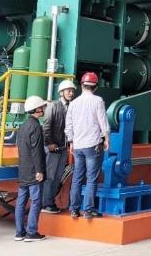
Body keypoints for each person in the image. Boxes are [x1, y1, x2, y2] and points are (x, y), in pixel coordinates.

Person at [65, 72, 110, 219]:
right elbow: (103, 121)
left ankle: (74, 209)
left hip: (78, 146)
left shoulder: (73, 103)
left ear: (82, 85)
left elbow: (69, 125)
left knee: (77, 178)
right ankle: (88, 210)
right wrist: (107, 139)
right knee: (91, 178)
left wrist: (71, 142)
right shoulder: (98, 101)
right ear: (95, 86)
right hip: (92, 145)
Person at [41, 79, 77, 213]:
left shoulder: (72, 107)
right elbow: (46, 126)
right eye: (68, 91)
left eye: (72, 91)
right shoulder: (53, 106)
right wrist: (49, 143)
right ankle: (45, 203)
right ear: (61, 92)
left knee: (57, 176)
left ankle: (50, 202)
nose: (71, 93)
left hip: (63, 147)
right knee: (50, 176)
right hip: (53, 147)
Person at [15, 95, 48, 242]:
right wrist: (39, 170)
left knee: (21, 201)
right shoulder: (36, 127)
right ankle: (31, 232)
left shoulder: (23, 126)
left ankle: (19, 232)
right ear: (37, 109)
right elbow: (37, 151)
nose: (44, 109)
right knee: (36, 201)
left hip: (23, 169)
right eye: (42, 106)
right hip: (34, 170)